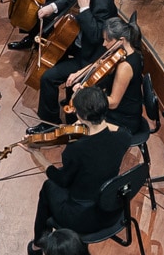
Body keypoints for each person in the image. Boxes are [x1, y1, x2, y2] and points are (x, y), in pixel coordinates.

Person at [33, 86, 132, 242]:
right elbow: (115, 133)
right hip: (111, 210)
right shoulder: (124, 137)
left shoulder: (76, 149)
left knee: (48, 186)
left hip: (82, 218)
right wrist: (92, 122)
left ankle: (39, 242)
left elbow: (62, 181)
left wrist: (39, 157)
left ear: (81, 115)